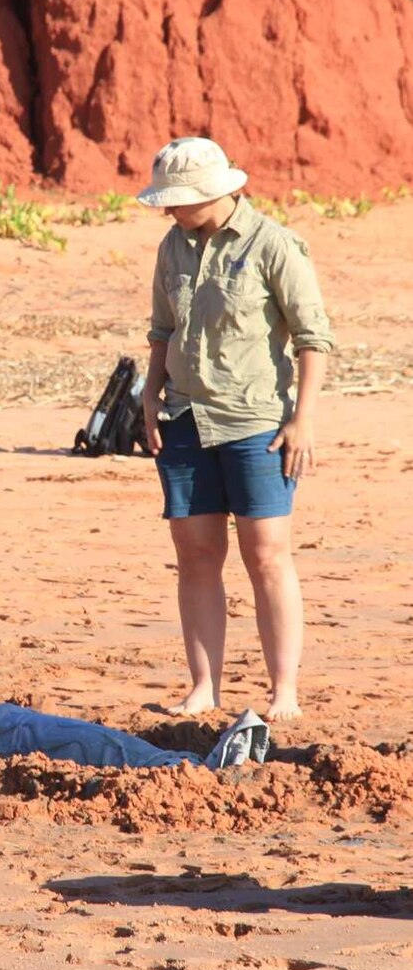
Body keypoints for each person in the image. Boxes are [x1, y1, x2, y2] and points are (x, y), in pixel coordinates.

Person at [137, 137, 334, 722]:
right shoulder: (171, 247)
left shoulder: (274, 244)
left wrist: (303, 420)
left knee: (267, 555)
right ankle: (203, 688)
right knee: (196, 553)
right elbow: (161, 329)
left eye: (176, 201)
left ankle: (284, 693)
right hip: (185, 420)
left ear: (213, 194)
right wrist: (150, 394)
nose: (168, 211)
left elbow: (312, 338)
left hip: (257, 423)